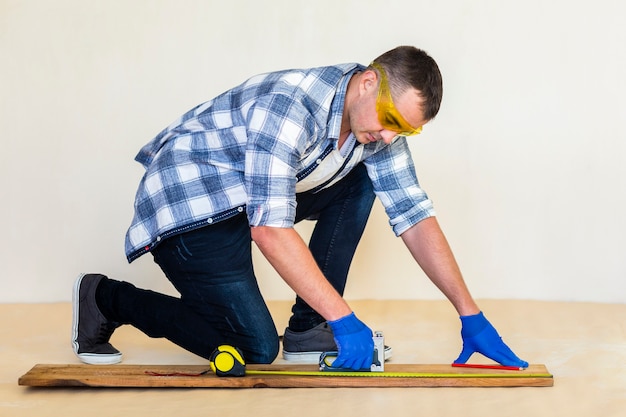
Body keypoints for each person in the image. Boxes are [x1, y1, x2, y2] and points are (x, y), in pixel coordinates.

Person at [72, 45, 528, 371]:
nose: (390, 138)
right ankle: (104, 298)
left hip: (244, 200)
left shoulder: (376, 131)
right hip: (190, 205)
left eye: (406, 131)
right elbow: (270, 229)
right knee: (253, 348)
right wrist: (345, 319)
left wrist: (470, 314)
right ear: (368, 82)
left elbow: (413, 214)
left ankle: (309, 328)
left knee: (363, 183)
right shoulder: (292, 106)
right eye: (390, 121)